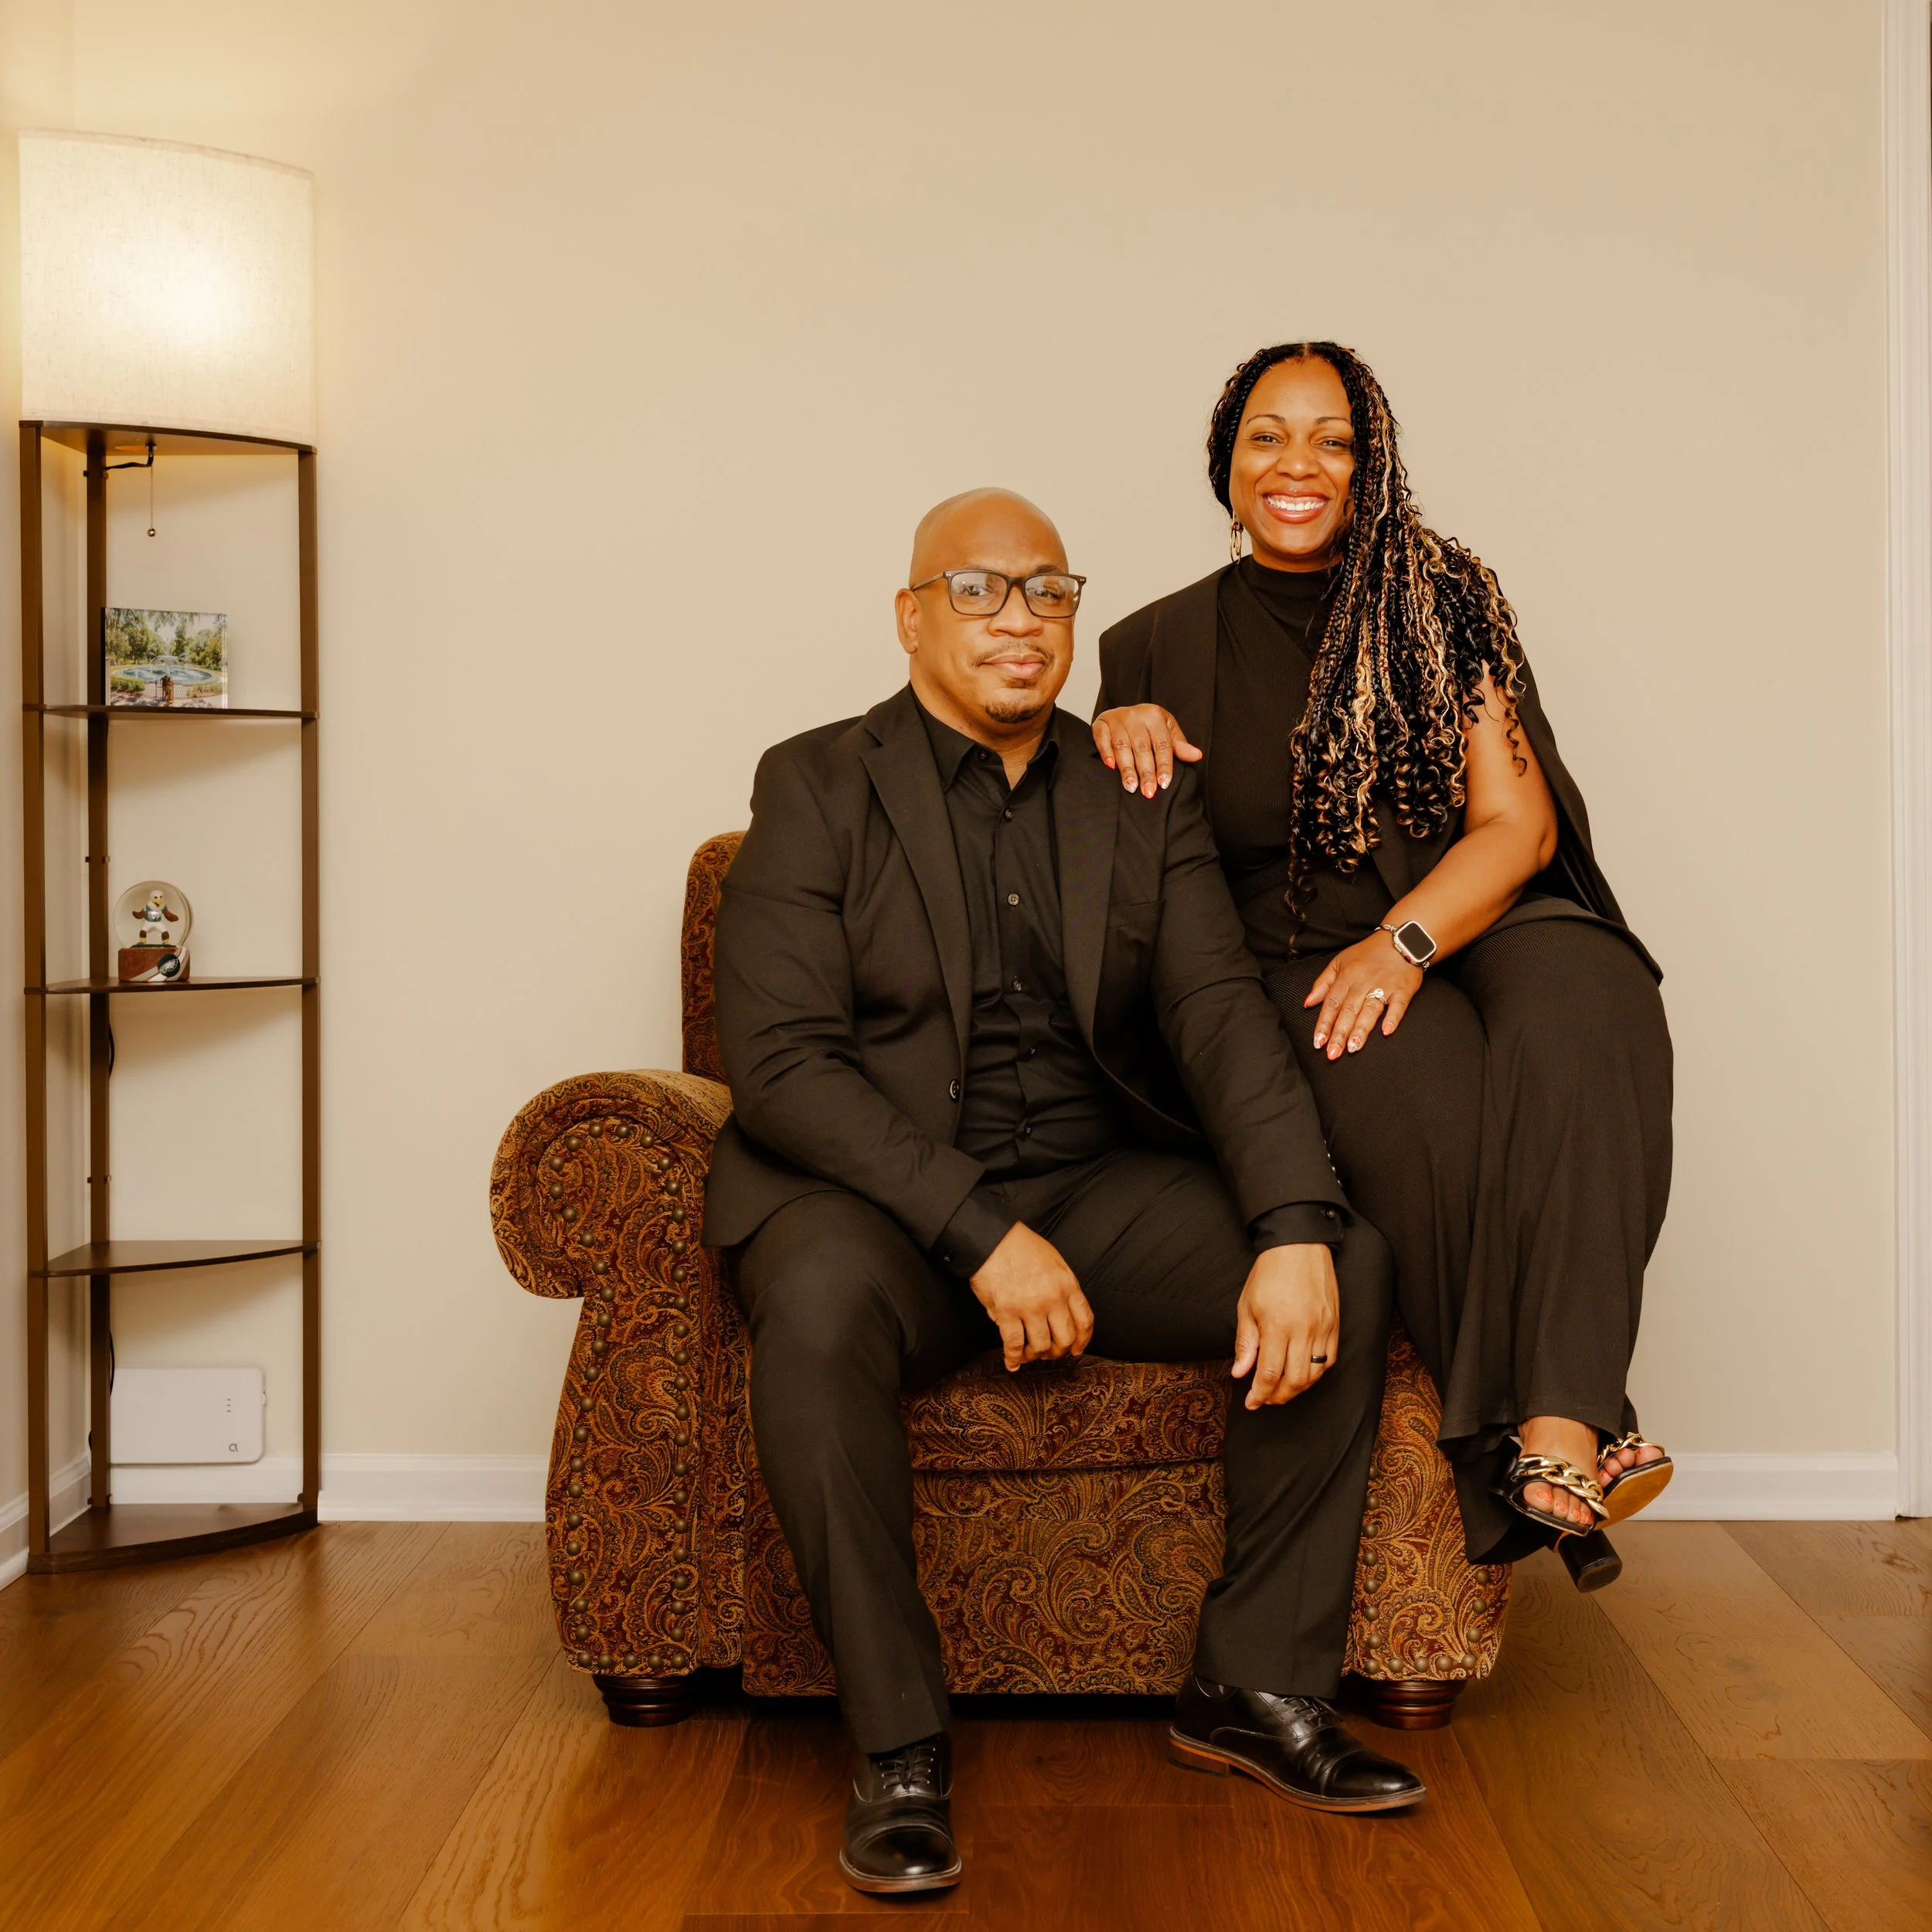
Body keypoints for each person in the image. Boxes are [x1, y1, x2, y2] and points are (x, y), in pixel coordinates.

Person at [703, 486, 1423, 1896]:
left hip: (1094, 1184)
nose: (1018, 618)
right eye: (978, 590)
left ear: (1075, 617)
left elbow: (1220, 1012)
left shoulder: (1136, 789)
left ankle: (1250, 1690)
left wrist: (1291, 1224)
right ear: (912, 616)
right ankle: (902, 1749)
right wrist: (981, 1233)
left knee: (1352, 1257)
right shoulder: (814, 782)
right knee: (814, 1307)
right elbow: (781, 1065)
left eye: (1047, 590)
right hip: (882, 1208)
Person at [1093, 342, 1674, 1578]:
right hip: (1297, 963)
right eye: (1266, 435)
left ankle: (1570, 1415)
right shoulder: (1150, 645)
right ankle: (1528, 1454)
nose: (1297, 464)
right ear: (1225, 462)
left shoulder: (1440, 604)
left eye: (1334, 439)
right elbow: (1092, 824)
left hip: (1459, 915)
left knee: (1595, 997)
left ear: (1374, 466)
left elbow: (1517, 827)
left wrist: (1405, 940)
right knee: (1420, 1077)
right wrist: (1109, 726)